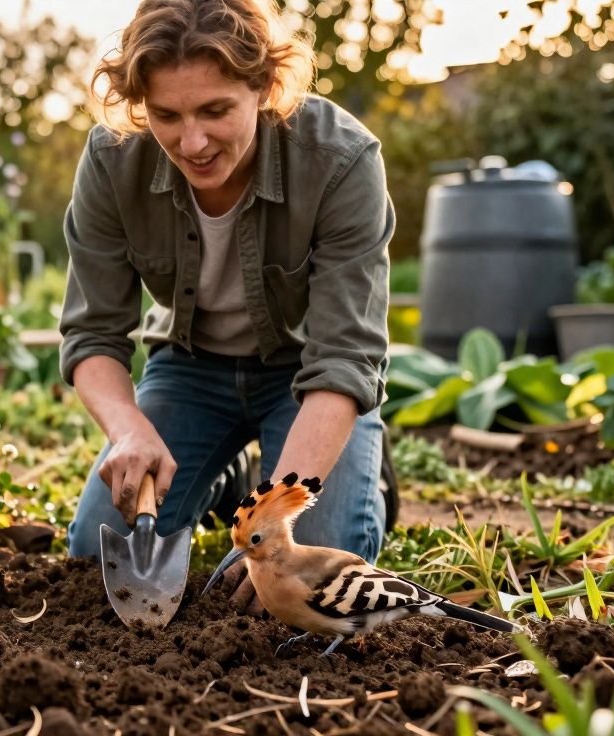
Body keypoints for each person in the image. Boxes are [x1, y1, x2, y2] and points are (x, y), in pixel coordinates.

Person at [59, 0, 395, 603]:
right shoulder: (112, 161)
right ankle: (227, 481)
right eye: (166, 115)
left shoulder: (341, 160)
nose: (192, 142)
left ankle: (355, 473)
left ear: (264, 85)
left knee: (306, 579)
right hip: (189, 372)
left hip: (308, 379)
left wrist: (277, 515)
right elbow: (92, 337)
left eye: (216, 111)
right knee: (95, 547)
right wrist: (129, 429)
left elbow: (345, 358)